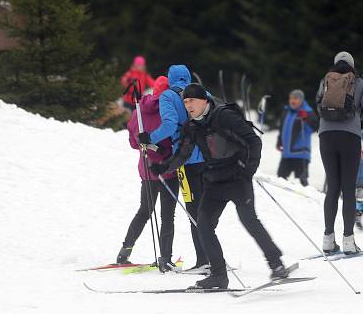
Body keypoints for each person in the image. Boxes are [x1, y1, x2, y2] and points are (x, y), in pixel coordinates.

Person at [152, 83, 289, 289]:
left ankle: (276, 264)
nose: (189, 105)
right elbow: (184, 152)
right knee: (204, 225)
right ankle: (218, 275)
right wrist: (164, 167)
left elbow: (254, 141)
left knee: (249, 220)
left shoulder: (224, 116)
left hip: (237, 178)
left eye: (192, 101)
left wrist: (247, 171)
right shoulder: (192, 126)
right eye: (185, 101)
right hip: (214, 181)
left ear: (204, 101)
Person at [138, 64, 209, 272]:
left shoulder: (169, 96)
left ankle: (204, 260)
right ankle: (213, 256)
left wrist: (150, 138)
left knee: (194, 209)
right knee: (207, 208)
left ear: (170, 79)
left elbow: (169, 125)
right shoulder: (201, 93)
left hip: (186, 161)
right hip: (209, 157)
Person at [315, 51, 363, 255]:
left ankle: (327, 239)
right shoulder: (359, 82)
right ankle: (348, 240)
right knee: (348, 188)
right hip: (349, 137)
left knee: (333, 186)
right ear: (352, 65)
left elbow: (318, 105)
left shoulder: (326, 80)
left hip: (326, 136)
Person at [116, 76, 179, 266]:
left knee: (144, 211)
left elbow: (134, 143)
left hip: (147, 170)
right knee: (167, 216)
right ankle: (165, 258)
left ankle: (124, 252)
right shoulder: (171, 109)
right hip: (169, 169)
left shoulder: (139, 111)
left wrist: (146, 143)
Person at [276, 89, 319, 186]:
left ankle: (308, 198)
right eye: (291, 98)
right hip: (287, 153)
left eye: (295, 98)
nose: (292, 101)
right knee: (280, 178)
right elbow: (282, 128)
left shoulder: (308, 112)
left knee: (302, 180)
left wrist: (306, 118)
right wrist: (279, 141)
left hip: (300, 153)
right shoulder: (286, 111)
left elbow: (315, 127)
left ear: (301, 100)